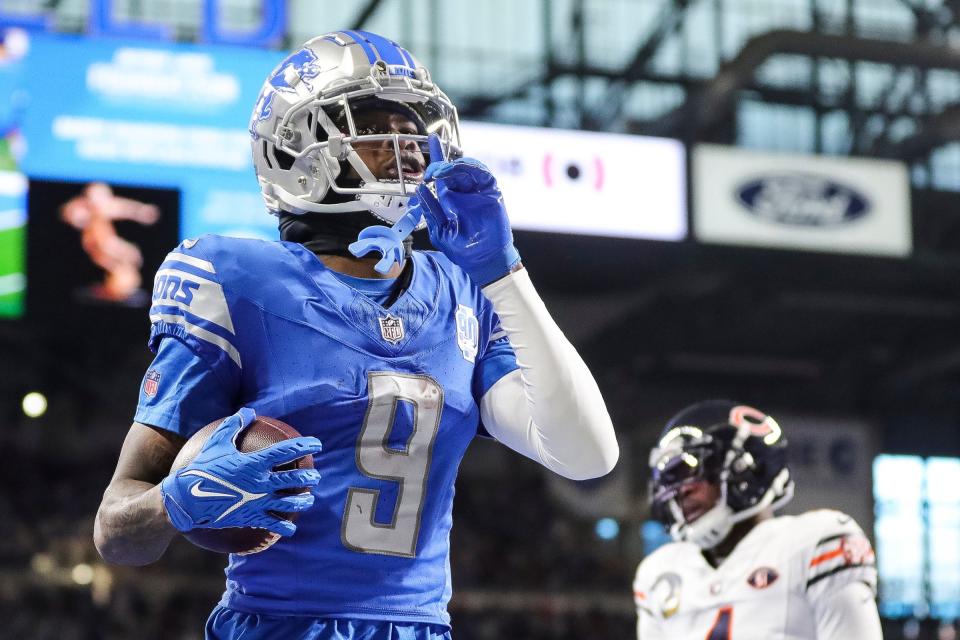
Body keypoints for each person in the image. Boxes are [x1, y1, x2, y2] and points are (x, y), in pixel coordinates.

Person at [93, 29, 618, 640]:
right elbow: (115, 531)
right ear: (299, 150)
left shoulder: (457, 291)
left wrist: (504, 274)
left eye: (413, 125)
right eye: (374, 124)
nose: (409, 146)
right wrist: (173, 503)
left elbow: (586, 455)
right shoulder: (234, 278)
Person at [634, 400, 882, 640]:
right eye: (670, 480)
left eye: (691, 470)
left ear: (746, 468)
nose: (681, 491)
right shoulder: (660, 573)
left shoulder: (815, 543)